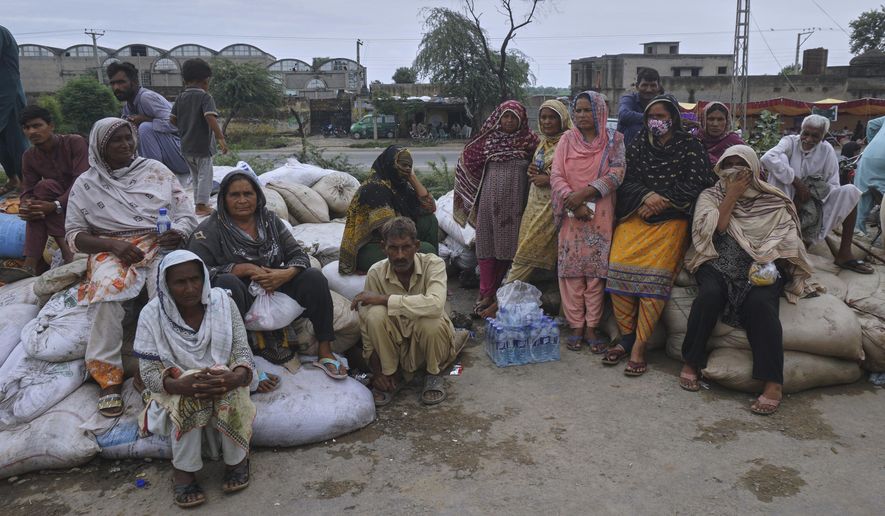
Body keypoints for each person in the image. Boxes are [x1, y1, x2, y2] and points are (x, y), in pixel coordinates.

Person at [66, 117, 197, 417]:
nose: (125, 144)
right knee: (107, 291)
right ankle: (108, 377)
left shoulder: (156, 171)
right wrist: (113, 246)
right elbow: (74, 235)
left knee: (166, 290)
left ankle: (158, 369)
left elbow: (185, 213)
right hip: (110, 247)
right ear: (100, 145)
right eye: (116, 140)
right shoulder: (86, 184)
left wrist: (178, 232)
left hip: (159, 242)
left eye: (128, 138)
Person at [680, 145, 814, 415]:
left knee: (761, 305)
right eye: (728, 165)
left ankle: (773, 382)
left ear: (753, 169)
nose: (734, 171)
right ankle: (692, 361)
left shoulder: (772, 199)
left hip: (761, 264)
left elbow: (787, 237)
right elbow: (715, 229)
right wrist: (732, 195)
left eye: (740, 165)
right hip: (717, 260)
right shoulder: (710, 195)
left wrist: (767, 255)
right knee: (709, 297)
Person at [187, 171, 346, 378]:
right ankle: (242, 361)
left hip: (274, 286)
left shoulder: (269, 220)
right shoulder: (209, 229)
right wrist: (241, 269)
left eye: (248, 194)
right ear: (223, 199)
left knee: (314, 277)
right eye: (235, 195)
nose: (242, 200)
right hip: (241, 295)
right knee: (227, 283)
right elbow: (196, 270)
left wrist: (285, 274)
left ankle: (325, 351)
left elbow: (298, 254)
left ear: (258, 196)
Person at [604, 94, 715, 376]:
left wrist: (662, 201)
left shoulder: (690, 146)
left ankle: (640, 345)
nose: (655, 121)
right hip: (638, 212)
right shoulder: (639, 143)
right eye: (651, 116)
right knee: (617, 265)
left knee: (655, 276)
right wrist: (646, 196)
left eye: (661, 116)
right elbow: (627, 180)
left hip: (672, 218)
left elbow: (698, 183)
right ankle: (626, 336)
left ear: (673, 118)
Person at [136, 251, 255, 508]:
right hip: (175, 387)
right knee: (191, 388)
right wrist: (179, 384)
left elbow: (242, 351)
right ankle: (184, 472)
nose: (190, 288)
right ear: (166, 284)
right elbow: (149, 372)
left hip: (224, 380)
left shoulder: (223, 303)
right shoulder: (151, 314)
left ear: (204, 278)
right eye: (180, 282)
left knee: (223, 383)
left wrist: (236, 377)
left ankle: (237, 461)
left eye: (195, 279)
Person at [351, 217, 457, 407]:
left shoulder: (433, 264)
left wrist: (384, 299)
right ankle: (391, 373)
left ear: (416, 246)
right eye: (393, 248)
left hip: (430, 345)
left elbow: (435, 305)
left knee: (429, 320)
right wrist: (377, 372)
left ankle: (433, 374)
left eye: (406, 247)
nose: (400, 255)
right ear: (383, 248)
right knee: (374, 314)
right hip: (397, 350)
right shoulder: (376, 273)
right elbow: (367, 328)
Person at [550, 91, 625, 352]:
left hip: (600, 213)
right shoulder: (567, 140)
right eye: (578, 110)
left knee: (595, 273)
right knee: (571, 272)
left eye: (587, 110)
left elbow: (617, 173)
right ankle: (576, 326)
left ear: (599, 111)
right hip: (570, 213)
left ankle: (592, 326)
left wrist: (585, 193)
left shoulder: (614, 140)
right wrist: (572, 200)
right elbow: (556, 174)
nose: (582, 115)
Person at [453, 100, 539, 317]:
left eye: (513, 117)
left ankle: (498, 294)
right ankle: (485, 292)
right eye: (505, 116)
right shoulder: (487, 141)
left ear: (521, 119)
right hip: (489, 202)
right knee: (486, 246)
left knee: (508, 248)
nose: (508, 121)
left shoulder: (530, 142)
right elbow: (467, 159)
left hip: (516, 204)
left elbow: (543, 164)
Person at [761, 114, 873, 274]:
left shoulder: (827, 150)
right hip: (783, 203)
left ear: (823, 136)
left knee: (850, 191)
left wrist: (810, 197)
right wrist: (796, 181)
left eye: (815, 136)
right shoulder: (789, 142)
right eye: (805, 133)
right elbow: (767, 158)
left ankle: (844, 254)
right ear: (800, 131)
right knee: (781, 159)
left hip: (812, 204)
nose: (808, 139)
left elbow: (833, 185)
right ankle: (786, 237)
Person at [504, 99, 573, 289]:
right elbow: (540, 167)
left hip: (553, 206)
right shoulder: (544, 142)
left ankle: (505, 295)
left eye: (552, 117)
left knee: (528, 250)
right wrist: (532, 170)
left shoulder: (570, 142)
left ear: (562, 119)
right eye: (543, 117)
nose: (547, 122)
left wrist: (549, 179)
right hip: (534, 204)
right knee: (526, 245)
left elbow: (577, 173)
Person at [339, 145, 437, 275]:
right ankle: (426, 272)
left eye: (409, 166)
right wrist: (413, 245)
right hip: (371, 246)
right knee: (427, 251)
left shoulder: (400, 187)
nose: (407, 169)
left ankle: (432, 272)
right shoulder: (374, 188)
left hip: (397, 239)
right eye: (403, 165)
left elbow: (430, 207)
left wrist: (412, 178)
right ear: (390, 163)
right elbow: (391, 232)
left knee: (429, 220)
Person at [18, 106, 88, 273]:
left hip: (86, 199)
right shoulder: (29, 156)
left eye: (37, 126)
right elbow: (27, 190)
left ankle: (34, 261)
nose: (32, 131)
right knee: (40, 195)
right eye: (27, 128)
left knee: (45, 187)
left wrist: (55, 204)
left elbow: (82, 181)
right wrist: (26, 206)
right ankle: (35, 263)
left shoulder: (74, 142)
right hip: (57, 207)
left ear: (51, 126)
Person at [107, 61, 189, 177]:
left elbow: (177, 124)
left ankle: (154, 176)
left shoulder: (146, 97)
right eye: (113, 83)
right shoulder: (128, 107)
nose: (116, 88)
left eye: (121, 82)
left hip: (184, 155)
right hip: (169, 159)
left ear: (134, 82)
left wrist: (145, 120)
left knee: (145, 128)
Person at [170, 58, 228, 217]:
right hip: (202, 146)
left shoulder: (180, 97)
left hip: (186, 146)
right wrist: (220, 138)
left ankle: (199, 203)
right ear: (205, 80)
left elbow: (172, 119)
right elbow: (210, 117)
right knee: (205, 176)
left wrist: (186, 127)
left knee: (195, 177)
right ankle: (202, 206)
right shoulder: (205, 97)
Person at [0, 26, 28, 196]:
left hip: (9, 96)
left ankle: (27, 182)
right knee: (1, 144)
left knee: (16, 141)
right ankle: (13, 179)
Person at [616, 67, 664, 146]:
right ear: (637, 86)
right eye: (644, 85)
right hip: (626, 150)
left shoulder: (662, 102)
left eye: (653, 85)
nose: (649, 90)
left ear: (658, 87)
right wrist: (653, 119)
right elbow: (623, 115)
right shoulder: (629, 99)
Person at [854, 116, 885, 235]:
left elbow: (871, 124)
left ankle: (858, 234)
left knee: (862, 199)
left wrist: (872, 143)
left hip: (869, 155)